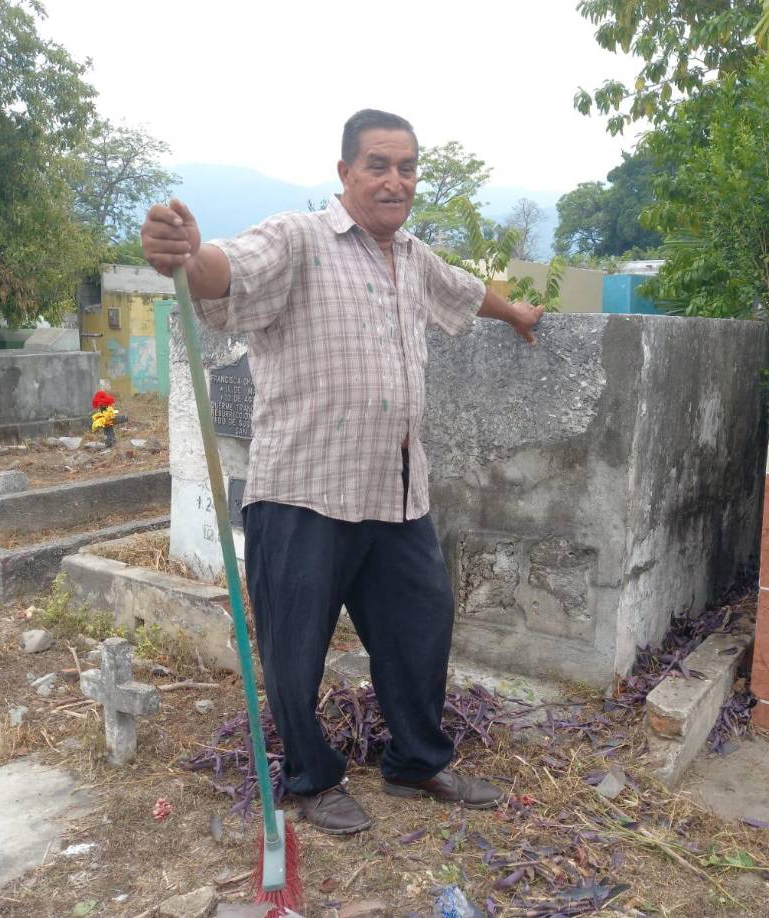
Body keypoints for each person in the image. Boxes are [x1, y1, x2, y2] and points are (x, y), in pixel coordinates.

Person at [141, 109, 541, 835]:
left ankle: (417, 761)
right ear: (345, 173)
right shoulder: (299, 240)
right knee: (295, 648)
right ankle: (311, 776)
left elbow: (463, 291)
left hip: (396, 489)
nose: (395, 181)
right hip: (303, 490)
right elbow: (225, 272)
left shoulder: (414, 258)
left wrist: (515, 312)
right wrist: (189, 255)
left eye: (408, 167)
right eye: (379, 165)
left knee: (423, 626)